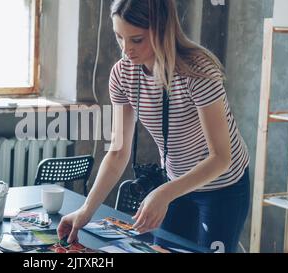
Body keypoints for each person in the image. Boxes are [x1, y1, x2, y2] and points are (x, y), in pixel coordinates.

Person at [57, 0, 250, 253]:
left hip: (223, 185)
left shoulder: (198, 71)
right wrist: (85, 211)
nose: (126, 50)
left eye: (136, 40)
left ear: (162, 30)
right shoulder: (122, 74)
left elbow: (221, 158)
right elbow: (117, 153)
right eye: (119, 37)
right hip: (175, 182)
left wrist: (163, 193)